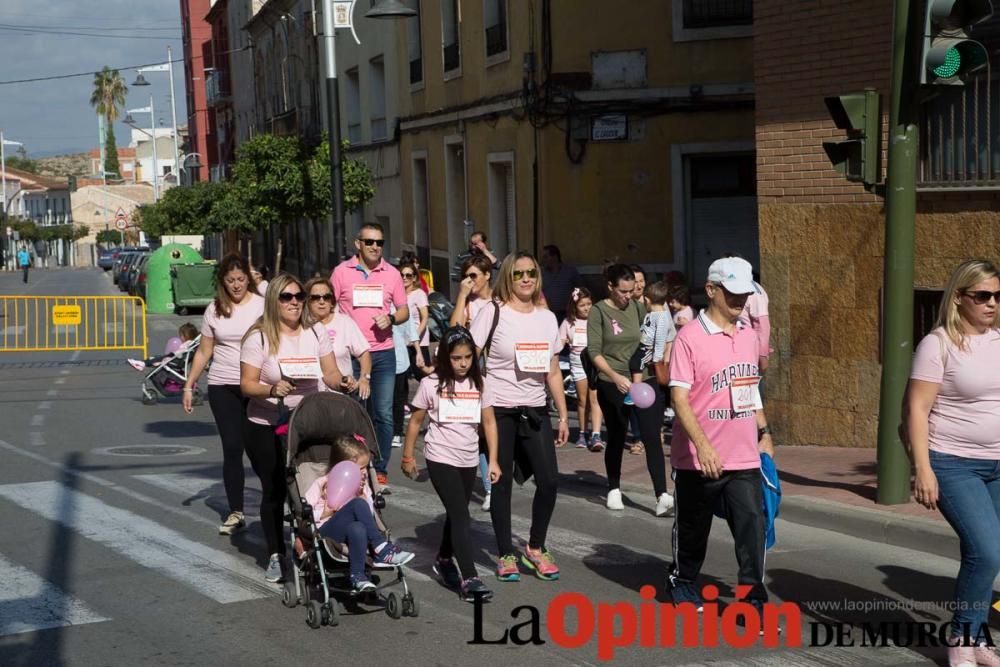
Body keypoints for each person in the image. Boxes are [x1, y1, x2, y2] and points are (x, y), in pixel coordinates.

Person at [667, 256, 774, 615]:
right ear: (711, 290)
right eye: (732, 293)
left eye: (745, 293)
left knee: (752, 527)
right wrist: (703, 445)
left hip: (742, 454)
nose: (740, 300)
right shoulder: (689, 338)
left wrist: (764, 430)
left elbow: (750, 386)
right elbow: (679, 398)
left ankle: (753, 599)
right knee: (693, 531)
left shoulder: (748, 335)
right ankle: (683, 580)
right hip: (698, 458)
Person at [906, 259, 1000, 663]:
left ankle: (977, 638)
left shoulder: (998, 340)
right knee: (987, 551)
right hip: (952, 462)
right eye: (982, 296)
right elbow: (916, 410)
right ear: (959, 298)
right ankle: (962, 638)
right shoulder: (938, 343)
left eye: (997, 295)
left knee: (983, 553)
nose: (992, 303)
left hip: (997, 463)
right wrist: (923, 468)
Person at [471, 251, 569, 581]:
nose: (526, 279)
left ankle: (535, 547)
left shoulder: (547, 318)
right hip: (499, 409)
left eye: (531, 273)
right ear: (508, 278)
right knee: (500, 485)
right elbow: (469, 355)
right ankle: (504, 553)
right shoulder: (493, 312)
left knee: (550, 481)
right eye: (518, 274)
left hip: (535, 408)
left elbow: (553, 368)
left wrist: (565, 415)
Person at [240, 273, 344, 582]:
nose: (295, 302)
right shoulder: (258, 336)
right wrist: (272, 391)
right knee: (275, 490)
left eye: (300, 296)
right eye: (287, 297)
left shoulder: (315, 332)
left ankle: (311, 547)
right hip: (266, 424)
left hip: (307, 422)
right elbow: (247, 384)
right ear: (274, 301)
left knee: (310, 488)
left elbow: (330, 373)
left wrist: (345, 381)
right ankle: (276, 553)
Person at [401, 326, 501, 601]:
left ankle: (444, 558)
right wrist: (408, 457)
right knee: (460, 514)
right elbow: (416, 422)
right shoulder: (431, 383)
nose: (464, 363)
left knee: (456, 513)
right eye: (457, 358)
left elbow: (489, 422)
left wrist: (492, 461)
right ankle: (470, 578)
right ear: (446, 357)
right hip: (439, 456)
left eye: (468, 357)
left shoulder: (480, 382)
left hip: (468, 458)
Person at [183, 253, 265, 536]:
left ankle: (275, 505)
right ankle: (236, 511)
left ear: (249, 278)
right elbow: (205, 351)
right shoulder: (214, 309)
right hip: (222, 385)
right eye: (230, 281)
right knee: (232, 448)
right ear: (223, 282)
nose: (237, 285)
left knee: (260, 450)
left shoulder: (262, 306)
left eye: (241, 279)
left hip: (256, 384)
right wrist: (189, 384)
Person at [587, 264, 673, 516]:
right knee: (616, 434)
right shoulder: (598, 311)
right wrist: (614, 377)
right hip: (612, 380)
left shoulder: (637, 307)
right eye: (622, 291)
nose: (627, 295)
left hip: (643, 379)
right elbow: (594, 351)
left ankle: (662, 495)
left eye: (631, 290)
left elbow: (652, 336)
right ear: (611, 287)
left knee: (651, 435)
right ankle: (613, 487)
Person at [330, 223, 410, 489]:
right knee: (355, 412)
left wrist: (390, 318)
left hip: (383, 353)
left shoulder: (392, 274)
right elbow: (328, 308)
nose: (375, 247)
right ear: (358, 244)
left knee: (384, 414)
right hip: (351, 355)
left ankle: (381, 466)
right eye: (370, 242)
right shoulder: (342, 273)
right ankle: (355, 464)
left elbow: (404, 311)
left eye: (380, 243)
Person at [306, 435, 414, 592]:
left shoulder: (363, 487)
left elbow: (369, 516)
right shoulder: (322, 483)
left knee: (357, 527)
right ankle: (380, 548)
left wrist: (363, 495)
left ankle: (357, 575)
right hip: (326, 532)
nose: (364, 473)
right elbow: (306, 514)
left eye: (365, 467)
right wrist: (325, 512)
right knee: (357, 504)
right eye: (360, 468)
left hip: (353, 532)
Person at [449, 253, 498, 510]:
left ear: (487, 275)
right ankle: (489, 488)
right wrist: (461, 296)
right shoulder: (467, 303)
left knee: (496, 428)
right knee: (480, 432)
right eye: (465, 277)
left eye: (474, 276)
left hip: (498, 372)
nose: (469, 281)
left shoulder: (499, 301)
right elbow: (454, 330)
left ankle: (499, 475)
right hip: (475, 370)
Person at [302, 277, 372, 400]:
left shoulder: (344, 322)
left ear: (332, 301)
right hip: (309, 399)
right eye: (315, 297)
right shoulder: (301, 326)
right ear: (307, 301)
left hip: (341, 395)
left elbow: (363, 353)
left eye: (326, 297)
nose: (322, 301)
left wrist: (364, 378)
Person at [558, 287, 604, 451]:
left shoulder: (597, 319)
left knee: (595, 399)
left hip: (595, 363)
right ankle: (583, 433)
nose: (586, 308)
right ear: (574, 307)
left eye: (589, 304)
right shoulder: (568, 322)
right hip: (577, 364)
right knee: (582, 401)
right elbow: (559, 343)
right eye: (582, 305)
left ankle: (596, 434)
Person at [391, 303, 419, 448]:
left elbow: (412, 331)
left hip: (400, 360)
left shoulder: (400, 307)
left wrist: (419, 352)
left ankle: (397, 432)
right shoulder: (373, 305)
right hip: (377, 360)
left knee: (398, 399)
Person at [128, 323, 198, 371]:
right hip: (176, 359)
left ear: (186, 335)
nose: (180, 337)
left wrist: (169, 356)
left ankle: (142, 363)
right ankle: (142, 363)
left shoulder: (186, 344)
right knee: (157, 357)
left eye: (181, 335)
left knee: (157, 358)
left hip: (174, 359)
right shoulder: (191, 343)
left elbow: (179, 352)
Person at [540, 245, 583, 322]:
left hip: (566, 315)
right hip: (547, 314)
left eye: (546, 257)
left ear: (555, 257)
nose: (543, 260)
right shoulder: (541, 274)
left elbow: (580, 290)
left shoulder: (570, 271)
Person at [401, 260, 431, 369]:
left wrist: (415, 335)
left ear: (414, 278)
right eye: (402, 275)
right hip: (403, 342)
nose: (404, 278)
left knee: (423, 374)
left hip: (419, 341)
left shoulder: (419, 294)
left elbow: (425, 317)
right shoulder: (398, 295)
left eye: (408, 275)